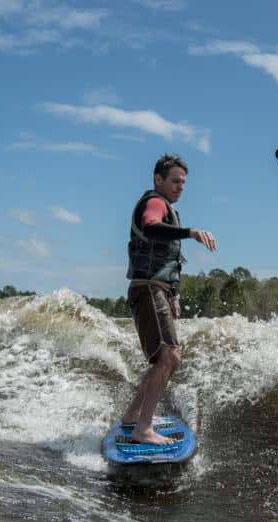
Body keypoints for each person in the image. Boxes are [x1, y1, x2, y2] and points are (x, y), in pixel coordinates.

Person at [121, 154, 216, 445]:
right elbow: (150, 226)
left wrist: (173, 295)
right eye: (175, 181)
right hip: (149, 289)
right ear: (158, 179)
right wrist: (190, 233)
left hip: (156, 290)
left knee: (163, 358)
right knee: (170, 356)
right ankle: (143, 429)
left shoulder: (167, 209)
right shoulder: (155, 202)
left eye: (184, 183)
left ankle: (133, 417)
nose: (180, 187)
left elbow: (165, 260)